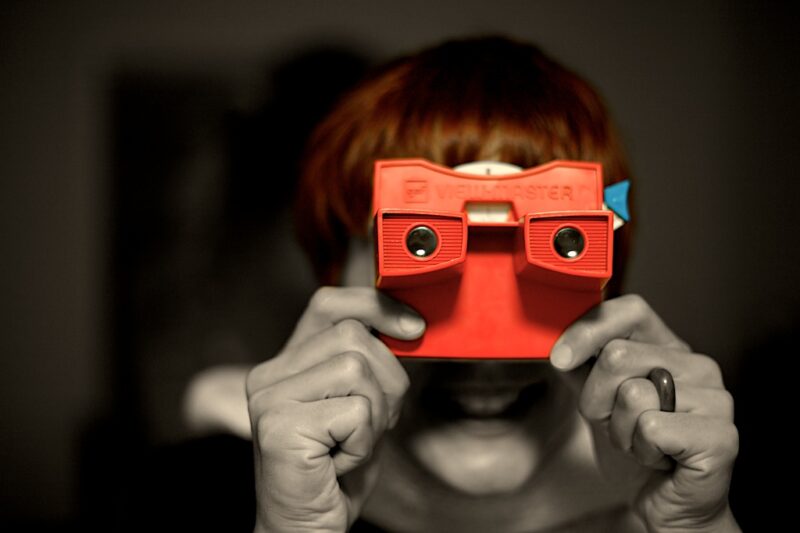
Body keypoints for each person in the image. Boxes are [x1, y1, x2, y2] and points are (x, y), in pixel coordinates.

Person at [189, 36, 740, 532]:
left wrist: (695, 526)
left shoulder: (711, 477)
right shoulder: (190, 495)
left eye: (559, 245)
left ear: (609, 288)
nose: (484, 357)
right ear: (333, 277)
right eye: (419, 243)